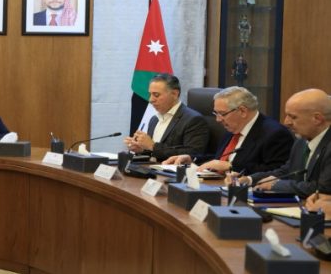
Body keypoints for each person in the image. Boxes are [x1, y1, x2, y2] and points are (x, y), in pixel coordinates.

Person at [163, 86, 293, 174]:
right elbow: (219, 160)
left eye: (222, 114)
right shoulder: (232, 127)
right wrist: (191, 158)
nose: (218, 120)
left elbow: (276, 171)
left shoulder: (275, 134)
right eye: (216, 113)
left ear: (242, 111)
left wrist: (232, 167)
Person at [229, 88, 331, 197]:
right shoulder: (301, 141)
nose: (286, 122)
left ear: (317, 119)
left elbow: (322, 188)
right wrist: (249, 179)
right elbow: (286, 171)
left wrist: (276, 185)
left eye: (293, 117)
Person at [124, 73, 209, 161]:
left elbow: (193, 154)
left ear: (174, 94)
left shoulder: (193, 120)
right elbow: (156, 153)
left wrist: (152, 146)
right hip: (152, 167)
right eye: (150, 94)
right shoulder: (154, 119)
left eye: (156, 95)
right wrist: (142, 149)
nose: (151, 100)